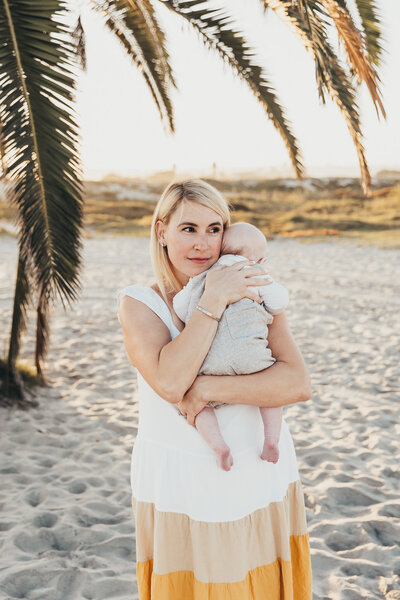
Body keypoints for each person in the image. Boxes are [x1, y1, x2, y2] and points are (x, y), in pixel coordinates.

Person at [117, 179, 313, 598]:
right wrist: (213, 300)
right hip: (182, 481)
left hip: (260, 468)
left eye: (214, 229)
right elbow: (170, 382)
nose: (203, 244)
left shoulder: (252, 286)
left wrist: (204, 390)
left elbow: (296, 383)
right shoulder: (139, 302)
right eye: (188, 229)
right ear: (161, 232)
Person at [172, 221, 289, 470]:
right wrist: (264, 282)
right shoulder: (254, 272)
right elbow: (279, 302)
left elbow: (181, 308)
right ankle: (271, 439)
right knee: (272, 394)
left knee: (200, 407)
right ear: (258, 258)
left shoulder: (204, 275)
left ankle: (218, 445)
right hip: (252, 357)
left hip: (209, 363)